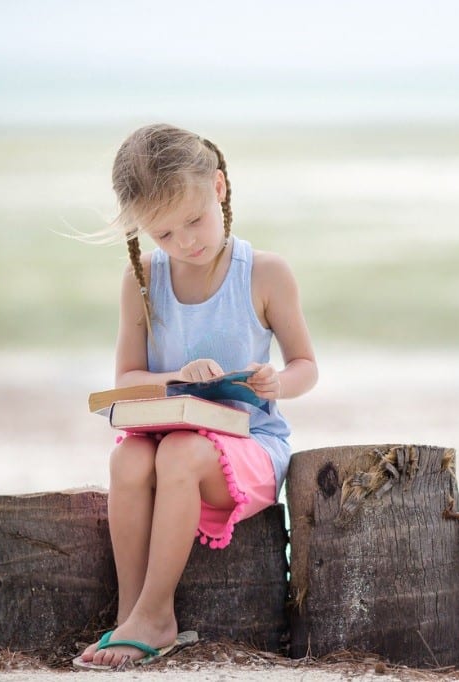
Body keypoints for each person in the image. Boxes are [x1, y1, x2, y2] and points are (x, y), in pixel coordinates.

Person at [75, 123, 318, 670]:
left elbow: (307, 366)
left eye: (194, 219)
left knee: (179, 453)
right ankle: (130, 612)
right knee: (129, 455)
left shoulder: (265, 273)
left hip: (247, 444)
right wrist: (178, 377)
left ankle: (158, 615)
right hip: (168, 435)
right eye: (163, 234)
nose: (186, 241)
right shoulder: (141, 281)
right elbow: (128, 377)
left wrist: (277, 381)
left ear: (220, 188)